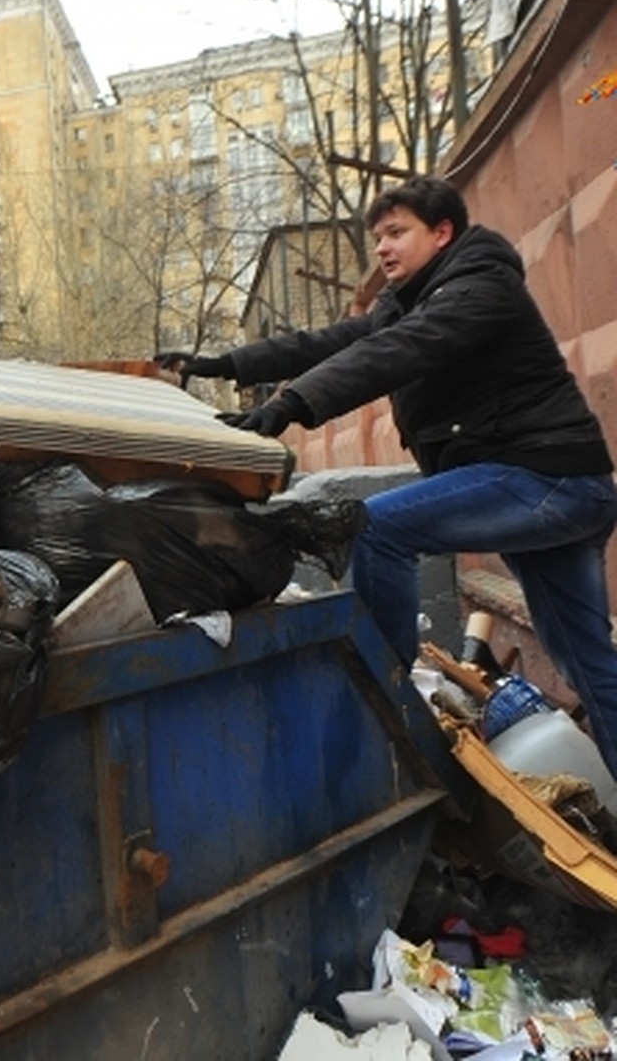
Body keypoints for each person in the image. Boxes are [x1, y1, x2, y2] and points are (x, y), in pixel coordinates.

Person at [155, 175, 617, 775]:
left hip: (548, 480)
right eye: (378, 237)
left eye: (397, 232)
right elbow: (326, 342)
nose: (382, 248)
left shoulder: (480, 289)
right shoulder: (409, 302)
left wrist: (290, 406)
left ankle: (393, 697)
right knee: (585, 659)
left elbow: (399, 352)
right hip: (543, 485)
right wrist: (221, 363)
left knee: (375, 527)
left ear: (442, 232)